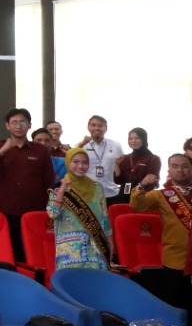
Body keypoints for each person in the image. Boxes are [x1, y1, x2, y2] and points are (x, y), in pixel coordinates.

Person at [0, 108, 56, 261]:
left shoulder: (40, 150)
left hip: (35, 212)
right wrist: (4, 150)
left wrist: (47, 208)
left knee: (33, 255)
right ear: (8, 126)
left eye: (23, 122)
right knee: (11, 255)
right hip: (8, 212)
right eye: (14, 122)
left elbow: (48, 182)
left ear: (29, 125)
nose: (18, 126)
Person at [130, 153, 192, 311]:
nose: (180, 170)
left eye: (185, 166)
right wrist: (142, 185)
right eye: (175, 166)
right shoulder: (162, 195)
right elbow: (137, 204)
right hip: (176, 261)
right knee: (177, 307)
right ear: (169, 171)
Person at [47, 147, 112, 271]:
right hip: (70, 253)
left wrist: (109, 243)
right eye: (75, 162)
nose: (80, 166)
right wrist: (62, 191)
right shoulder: (58, 188)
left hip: (96, 250)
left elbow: (105, 217)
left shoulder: (97, 188)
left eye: (85, 162)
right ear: (68, 162)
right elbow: (52, 214)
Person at [77, 115, 125, 202]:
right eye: (93, 125)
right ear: (88, 127)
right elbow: (73, 166)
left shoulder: (115, 145)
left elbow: (122, 169)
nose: (97, 128)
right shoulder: (81, 145)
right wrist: (82, 144)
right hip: (88, 193)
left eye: (100, 125)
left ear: (106, 128)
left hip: (111, 193)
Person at [113, 128, 159, 203]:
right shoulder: (125, 158)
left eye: (137, 138)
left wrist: (140, 186)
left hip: (142, 197)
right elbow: (118, 180)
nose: (133, 141)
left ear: (143, 139)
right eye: (130, 138)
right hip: (123, 196)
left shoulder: (153, 159)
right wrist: (116, 164)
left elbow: (152, 182)